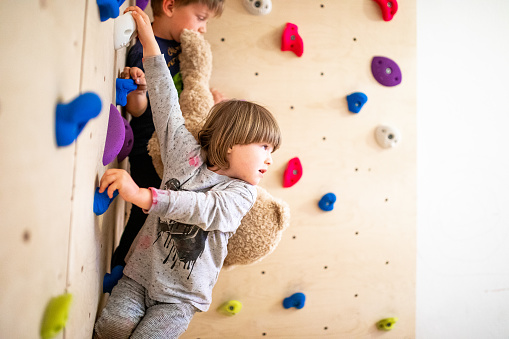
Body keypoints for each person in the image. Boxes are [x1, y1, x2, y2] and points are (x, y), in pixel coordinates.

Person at [94, 6, 282, 338]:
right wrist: (150, 39)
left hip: (180, 300)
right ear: (231, 143)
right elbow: (165, 101)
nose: (269, 159)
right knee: (112, 326)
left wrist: (142, 196)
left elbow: (201, 208)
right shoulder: (184, 153)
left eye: (272, 151)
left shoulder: (241, 194)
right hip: (139, 275)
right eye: (264, 147)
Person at [111, 0, 226, 268]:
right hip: (149, 150)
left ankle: (131, 270)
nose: (203, 28)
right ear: (170, 6)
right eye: (200, 17)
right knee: (146, 217)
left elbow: (191, 91)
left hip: (177, 147)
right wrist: (138, 90)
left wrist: (210, 101)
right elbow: (137, 111)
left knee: (162, 217)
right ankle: (121, 268)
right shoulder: (142, 48)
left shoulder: (185, 49)